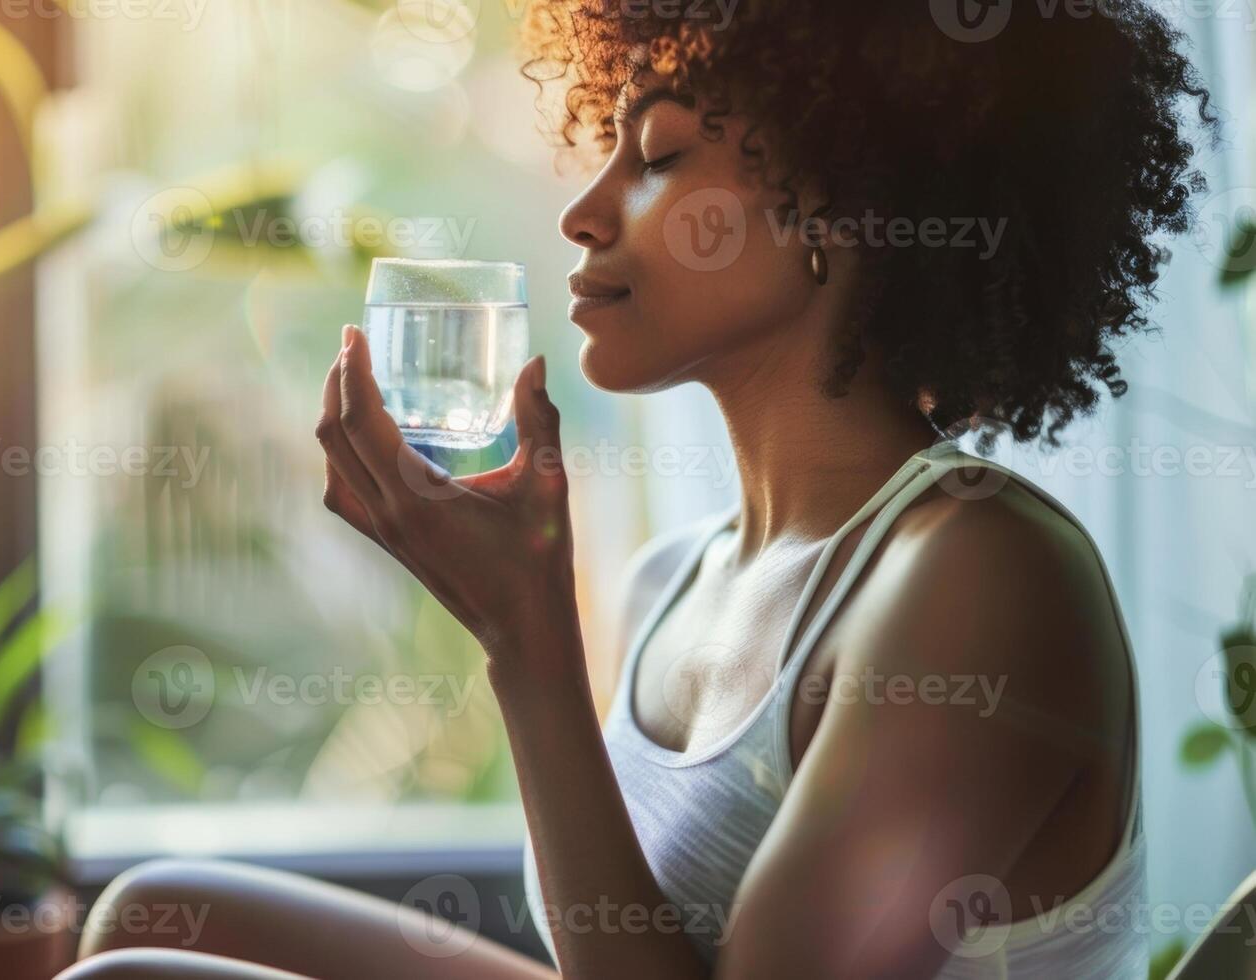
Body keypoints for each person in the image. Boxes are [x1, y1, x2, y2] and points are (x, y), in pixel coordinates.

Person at [59, 1, 1214, 975]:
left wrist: (527, 643)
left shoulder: (980, 571)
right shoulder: (681, 574)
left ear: (842, 206)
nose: (585, 209)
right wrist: (525, 626)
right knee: (154, 913)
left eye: (656, 157)